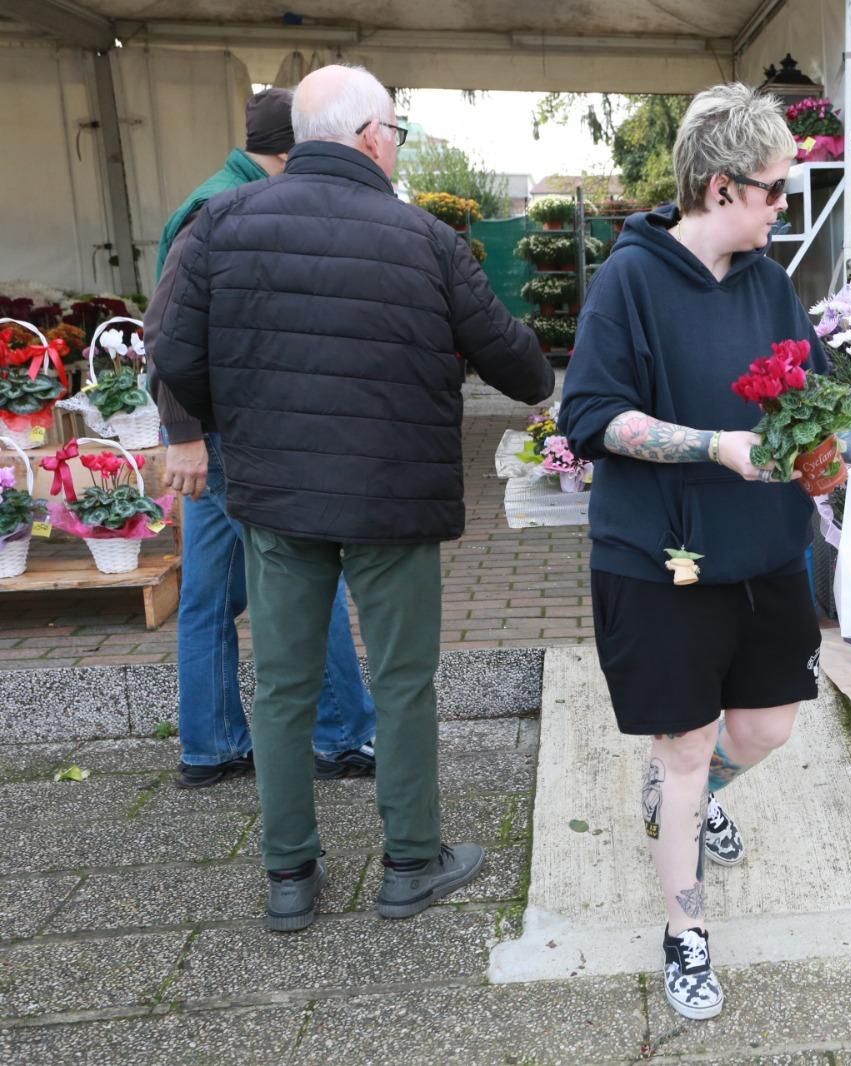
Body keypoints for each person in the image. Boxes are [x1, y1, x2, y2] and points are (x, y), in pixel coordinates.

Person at [558, 82, 851, 1021]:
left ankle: (685, 799)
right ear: (724, 187)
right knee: (685, 745)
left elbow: (810, 419)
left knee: (767, 728)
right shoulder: (631, 281)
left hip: (765, 550)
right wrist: (713, 445)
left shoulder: (773, 287)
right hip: (663, 557)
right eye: (777, 189)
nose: (787, 204)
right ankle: (684, 930)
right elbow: (591, 418)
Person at [150, 64, 554, 932]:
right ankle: (412, 862)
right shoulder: (428, 240)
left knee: (284, 689)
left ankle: (289, 877)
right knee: (403, 681)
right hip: (392, 503)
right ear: (373, 135)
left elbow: (173, 353)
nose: (397, 146)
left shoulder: (221, 224)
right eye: (399, 131)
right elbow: (515, 361)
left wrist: (247, 420)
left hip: (276, 498)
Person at [145, 87, 379, 790]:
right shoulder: (219, 209)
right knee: (313, 573)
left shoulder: (224, 197)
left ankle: (211, 746)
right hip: (228, 439)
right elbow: (165, 333)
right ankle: (344, 735)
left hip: (216, 435)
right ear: (290, 152)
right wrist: (184, 435)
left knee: (210, 594)